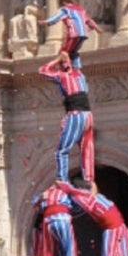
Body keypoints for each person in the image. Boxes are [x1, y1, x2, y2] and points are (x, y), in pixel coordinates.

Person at [39, 52, 94, 184]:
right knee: (86, 148)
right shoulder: (80, 75)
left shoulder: (62, 76)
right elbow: (76, 59)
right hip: (88, 116)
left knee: (61, 151)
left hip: (76, 115)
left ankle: (62, 180)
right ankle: (88, 180)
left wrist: (57, 59)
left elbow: (43, 70)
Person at [29, 184, 78, 256]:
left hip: (48, 222)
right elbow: (81, 204)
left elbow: (34, 204)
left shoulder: (46, 193)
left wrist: (42, 197)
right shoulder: (67, 191)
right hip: (63, 219)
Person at [39, 0, 103, 70]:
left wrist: (46, 22)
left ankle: (66, 67)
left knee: (63, 51)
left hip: (74, 34)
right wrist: (96, 27)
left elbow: (57, 17)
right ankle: (77, 67)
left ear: (63, 3)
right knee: (73, 51)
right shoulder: (80, 9)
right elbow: (89, 20)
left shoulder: (66, 10)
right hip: (83, 34)